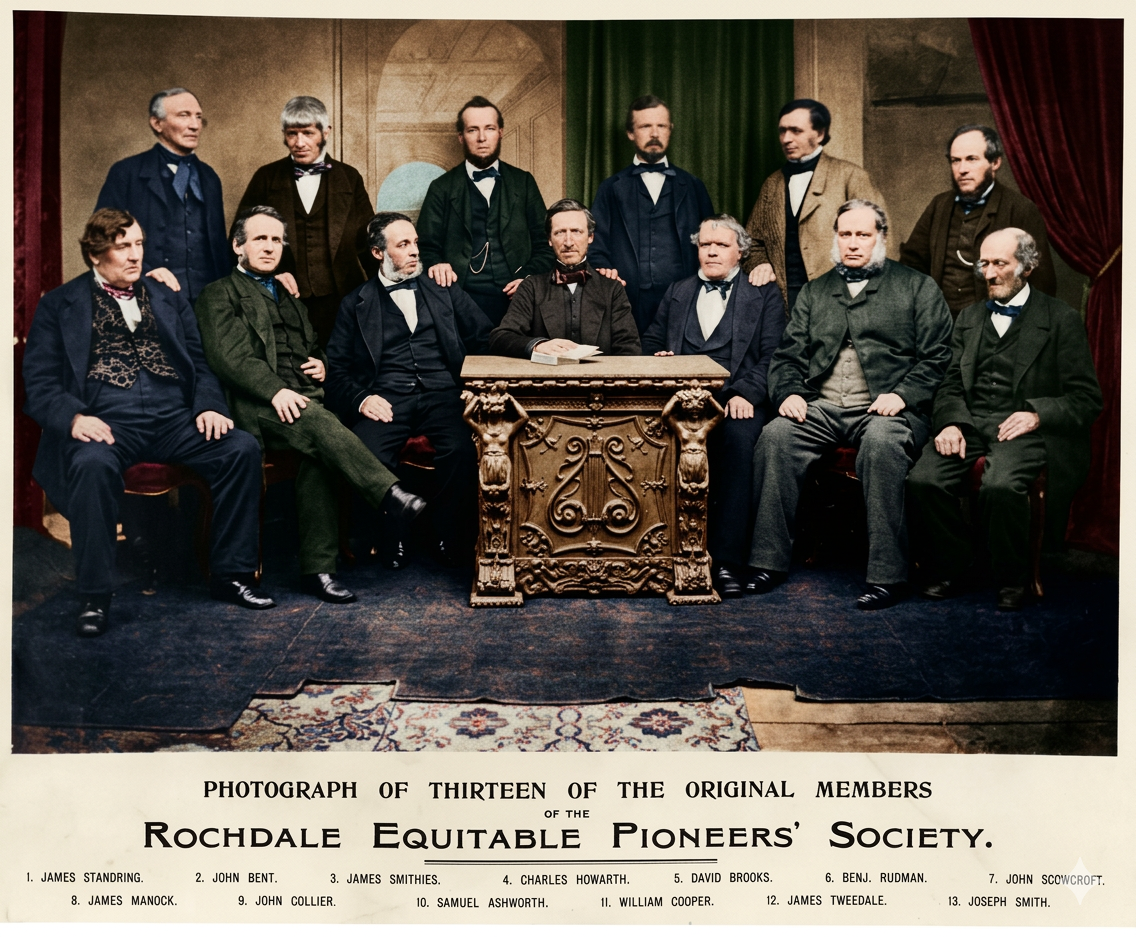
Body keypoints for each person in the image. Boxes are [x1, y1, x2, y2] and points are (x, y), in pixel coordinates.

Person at [23, 209, 271, 636]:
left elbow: (199, 361)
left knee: (240, 449)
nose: (135, 255)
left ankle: (231, 575)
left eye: (139, 244)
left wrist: (209, 406)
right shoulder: (59, 304)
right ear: (94, 255)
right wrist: (75, 417)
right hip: (108, 422)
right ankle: (94, 596)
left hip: (173, 418)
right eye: (123, 247)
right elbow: (39, 381)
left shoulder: (166, 295)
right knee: (91, 464)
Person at [194, 207, 426, 603]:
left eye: (275, 240)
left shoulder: (286, 292)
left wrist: (322, 362)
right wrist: (275, 391)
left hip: (302, 402)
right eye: (259, 239)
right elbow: (231, 360)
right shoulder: (219, 294)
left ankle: (318, 571)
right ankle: (390, 495)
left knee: (320, 454)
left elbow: (311, 346)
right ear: (238, 246)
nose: (269, 247)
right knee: (321, 427)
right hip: (259, 406)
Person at [746, 200, 953, 610]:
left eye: (863, 234)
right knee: (775, 437)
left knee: (881, 445)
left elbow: (938, 357)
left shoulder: (917, 287)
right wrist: (788, 393)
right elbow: (788, 357)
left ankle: (888, 576)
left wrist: (903, 395)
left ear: (881, 238)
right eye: (845, 234)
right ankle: (768, 562)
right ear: (835, 238)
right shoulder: (817, 290)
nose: (853, 243)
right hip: (822, 406)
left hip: (886, 408)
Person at [907, 228, 1101, 611]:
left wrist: (1036, 414)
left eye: (1000, 263)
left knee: (1000, 486)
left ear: (1027, 267)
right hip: (971, 422)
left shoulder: (1060, 319)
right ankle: (955, 565)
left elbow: (1087, 399)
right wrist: (951, 423)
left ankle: (1011, 577)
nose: (990, 274)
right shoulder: (968, 318)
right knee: (923, 479)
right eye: (984, 263)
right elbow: (948, 384)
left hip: (1023, 431)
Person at [326, 212, 493, 568]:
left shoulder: (443, 288)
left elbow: (486, 336)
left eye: (415, 242)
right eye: (403, 245)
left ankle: (449, 534)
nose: (415, 251)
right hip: (387, 397)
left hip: (443, 393)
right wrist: (362, 398)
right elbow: (336, 370)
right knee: (365, 450)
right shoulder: (354, 304)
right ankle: (391, 534)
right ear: (377, 253)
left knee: (462, 450)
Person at [641, 214, 785, 597]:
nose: (712, 252)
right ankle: (660, 555)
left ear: (740, 252)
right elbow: (651, 340)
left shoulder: (764, 293)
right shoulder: (679, 290)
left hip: (737, 398)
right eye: (705, 245)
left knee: (739, 444)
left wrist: (746, 394)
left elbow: (774, 356)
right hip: (683, 402)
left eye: (721, 245)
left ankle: (725, 562)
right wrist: (661, 358)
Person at [236, 96, 377, 347]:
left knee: (339, 368)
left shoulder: (349, 178)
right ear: (284, 134)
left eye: (308, 133)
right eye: (292, 134)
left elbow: (369, 242)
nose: (299, 143)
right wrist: (271, 275)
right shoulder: (266, 177)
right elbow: (239, 241)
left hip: (341, 298)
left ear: (325, 132)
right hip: (280, 296)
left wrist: (385, 289)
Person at [416, 96, 554, 326]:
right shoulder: (441, 188)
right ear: (461, 137)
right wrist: (437, 265)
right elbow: (425, 247)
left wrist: (527, 279)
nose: (482, 138)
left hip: (518, 299)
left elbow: (545, 244)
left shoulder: (524, 183)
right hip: (460, 301)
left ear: (500, 132)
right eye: (473, 130)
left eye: (489, 128)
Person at [743, 99, 887, 315]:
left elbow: (881, 240)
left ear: (819, 134)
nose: (786, 139)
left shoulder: (851, 177)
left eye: (796, 131)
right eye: (782, 131)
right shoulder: (772, 184)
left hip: (841, 300)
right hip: (784, 302)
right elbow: (751, 242)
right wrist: (760, 263)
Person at [588, 94, 714, 335]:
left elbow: (711, 243)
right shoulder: (610, 188)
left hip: (684, 301)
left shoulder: (693, 186)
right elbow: (596, 245)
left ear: (670, 130)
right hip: (626, 304)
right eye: (646, 126)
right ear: (630, 133)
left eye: (661, 126)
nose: (654, 133)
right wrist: (607, 273)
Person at [900, 124, 1057, 317]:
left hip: (995, 328)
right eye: (955, 161)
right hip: (941, 327)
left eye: (971, 159)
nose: (962, 169)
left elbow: (1041, 284)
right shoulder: (939, 206)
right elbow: (910, 265)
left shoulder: (1021, 210)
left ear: (995, 162)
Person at [96, 88, 230, 302]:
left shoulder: (209, 177)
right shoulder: (127, 172)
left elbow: (219, 248)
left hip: (208, 301)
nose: (195, 125)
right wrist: (144, 273)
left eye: (198, 117)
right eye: (184, 115)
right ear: (157, 123)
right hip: (147, 295)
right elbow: (101, 238)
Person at [489, 199, 641, 359]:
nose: (568, 242)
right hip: (545, 381)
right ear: (549, 239)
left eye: (576, 231)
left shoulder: (611, 289)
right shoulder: (531, 287)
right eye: (560, 232)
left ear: (590, 237)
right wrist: (538, 345)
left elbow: (629, 349)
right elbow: (500, 338)